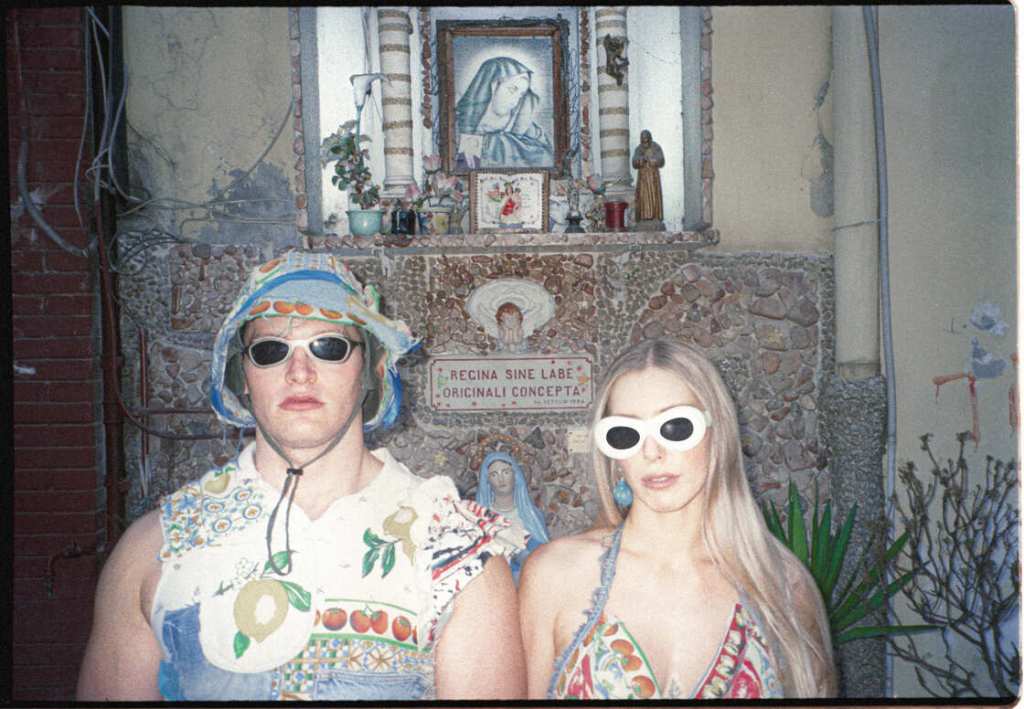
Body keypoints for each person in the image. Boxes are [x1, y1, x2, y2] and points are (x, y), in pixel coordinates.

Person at [77, 250, 527, 701]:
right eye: (270, 350)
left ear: (372, 370)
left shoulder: (457, 552)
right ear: (243, 375)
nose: (299, 373)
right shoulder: (155, 549)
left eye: (328, 347)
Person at [519, 338, 835, 699]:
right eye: (625, 434)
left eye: (676, 427)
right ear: (613, 456)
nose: (651, 451)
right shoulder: (555, 575)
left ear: (718, 434)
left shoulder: (784, 587)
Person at [455, 56, 554, 169]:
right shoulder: (461, 125)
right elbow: (466, 167)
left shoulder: (528, 129)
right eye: (512, 89)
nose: (516, 100)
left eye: (521, 95)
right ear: (493, 85)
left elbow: (547, 160)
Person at [475, 451, 550, 581]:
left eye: (505, 472)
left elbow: (543, 557)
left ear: (515, 476)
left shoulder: (533, 516)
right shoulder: (479, 518)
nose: (501, 479)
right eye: (494, 474)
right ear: (487, 481)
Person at [631, 129, 664, 228]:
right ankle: (643, 217)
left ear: (650, 138)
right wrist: (641, 159)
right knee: (642, 197)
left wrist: (652, 160)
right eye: (643, 140)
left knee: (654, 197)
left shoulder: (656, 147)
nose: (645, 142)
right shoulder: (639, 149)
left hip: (653, 178)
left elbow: (661, 160)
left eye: (646, 139)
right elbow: (634, 162)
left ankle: (655, 216)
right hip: (643, 179)